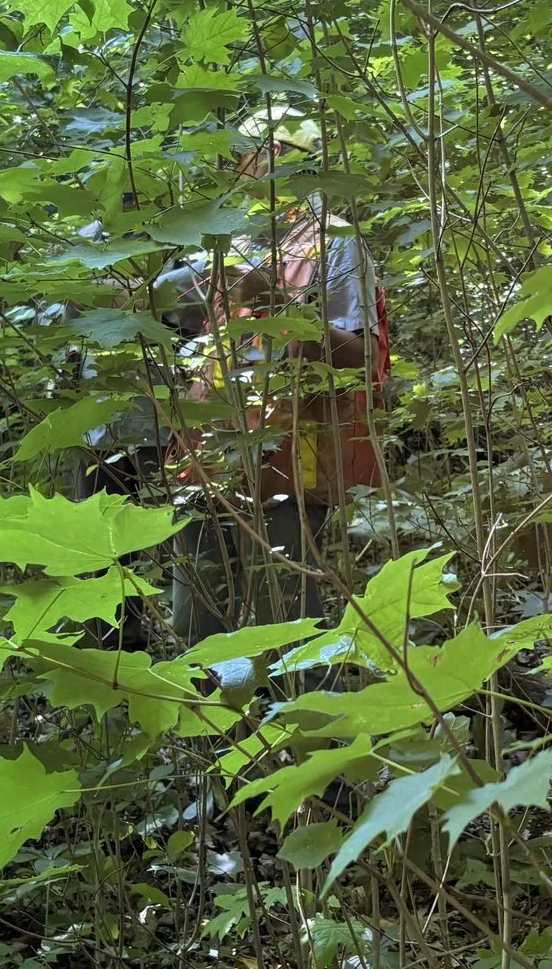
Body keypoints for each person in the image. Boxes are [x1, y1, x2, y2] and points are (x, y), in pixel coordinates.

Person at [163, 108, 390, 646]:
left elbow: (363, 357)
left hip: (290, 456)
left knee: (283, 617)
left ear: (280, 158)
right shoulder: (230, 242)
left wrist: (277, 304)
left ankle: (305, 725)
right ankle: (217, 724)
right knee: (195, 617)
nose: (237, 171)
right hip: (211, 453)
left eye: (245, 156)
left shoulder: (336, 242)